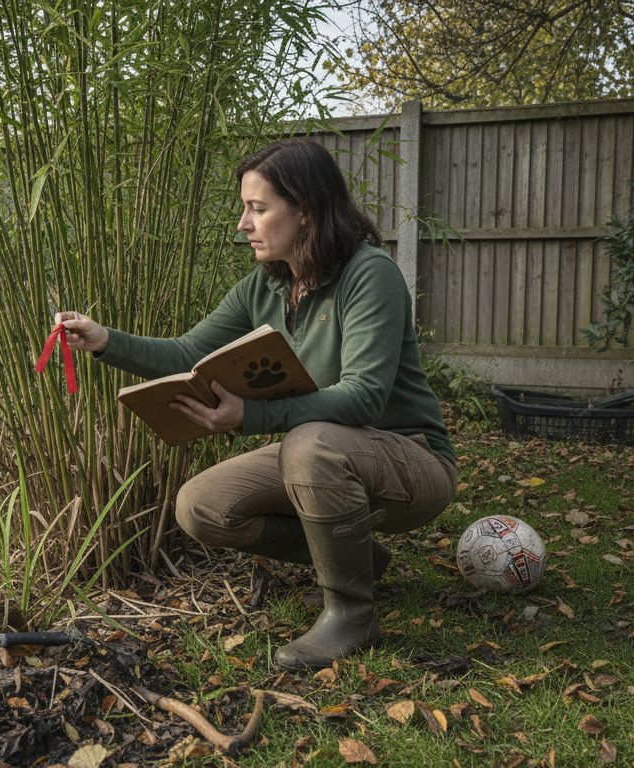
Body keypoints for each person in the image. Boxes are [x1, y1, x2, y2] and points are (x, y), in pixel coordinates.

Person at [55, 139, 456, 670]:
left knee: (309, 443)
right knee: (202, 506)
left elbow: (364, 396)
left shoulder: (369, 274)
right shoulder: (263, 287)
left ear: (305, 210)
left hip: (411, 458)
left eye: (258, 208)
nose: (243, 223)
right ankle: (358, 558)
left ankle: (351, 613)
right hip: (322, 453)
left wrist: (253, 416)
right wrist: (106, 340)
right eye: (245, 208)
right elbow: (187, 353)